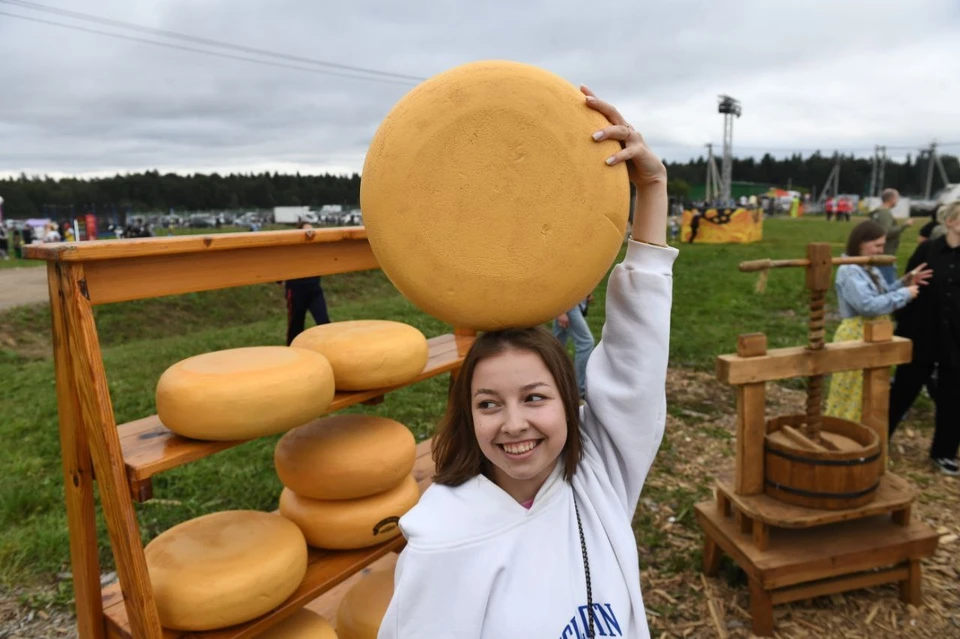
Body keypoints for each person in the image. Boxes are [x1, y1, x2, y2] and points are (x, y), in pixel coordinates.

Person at [378, 87, 676, 638]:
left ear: (572, 403)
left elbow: (638, 354)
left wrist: (653, 190)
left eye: (534, 397)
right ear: (467, 416)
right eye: (488, 403)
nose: (514, 423)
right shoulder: (444, 539)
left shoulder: (598, 475)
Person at [824, 220, 929, 423]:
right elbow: (868, 306)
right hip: (858, 334)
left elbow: (882, 294)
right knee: (852, 391)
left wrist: (904, 281)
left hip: (874, 332)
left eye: (882, 245)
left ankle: (863, 437)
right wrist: (904, 295)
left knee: (870, 389)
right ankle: (844, 432)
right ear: (860, 243)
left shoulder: (867, 266)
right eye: (877, 245)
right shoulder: (849, 270)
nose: (882, 250)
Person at [889, 202, 960, 475]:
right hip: (923, 331)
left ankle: (943, 452)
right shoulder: (928, 249)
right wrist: (910, 281)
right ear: (951, 222)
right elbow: (906, 282)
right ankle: (879, 440)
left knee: (954, 397)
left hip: (956, 337)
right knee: (904, 389)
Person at [283, 222, 330, 345]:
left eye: (312, 230)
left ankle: (330, 349)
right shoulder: (292, 251)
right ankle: (292, 353)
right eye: (306, 231)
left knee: (324, 323)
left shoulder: (316, 250)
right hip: (296, 293)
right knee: (296, 327)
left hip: (314, 291)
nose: (310, 233)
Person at [553, 295, 596, 399]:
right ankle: (579, 390)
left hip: (572, 302)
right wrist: (560, 311)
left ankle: (554, 378)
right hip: (568, 305)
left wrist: (586, 293)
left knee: (556, 344)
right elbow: (557, 283)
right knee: (586, 342)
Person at [869, 188, 914, 284]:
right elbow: (887, 232)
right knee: (888, 283)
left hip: (877, 254)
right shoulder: (885, 213)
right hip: (885, 255)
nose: (897, 201)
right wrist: (905, 225)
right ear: (892, 199)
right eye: (897, 198)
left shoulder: (878, 212)